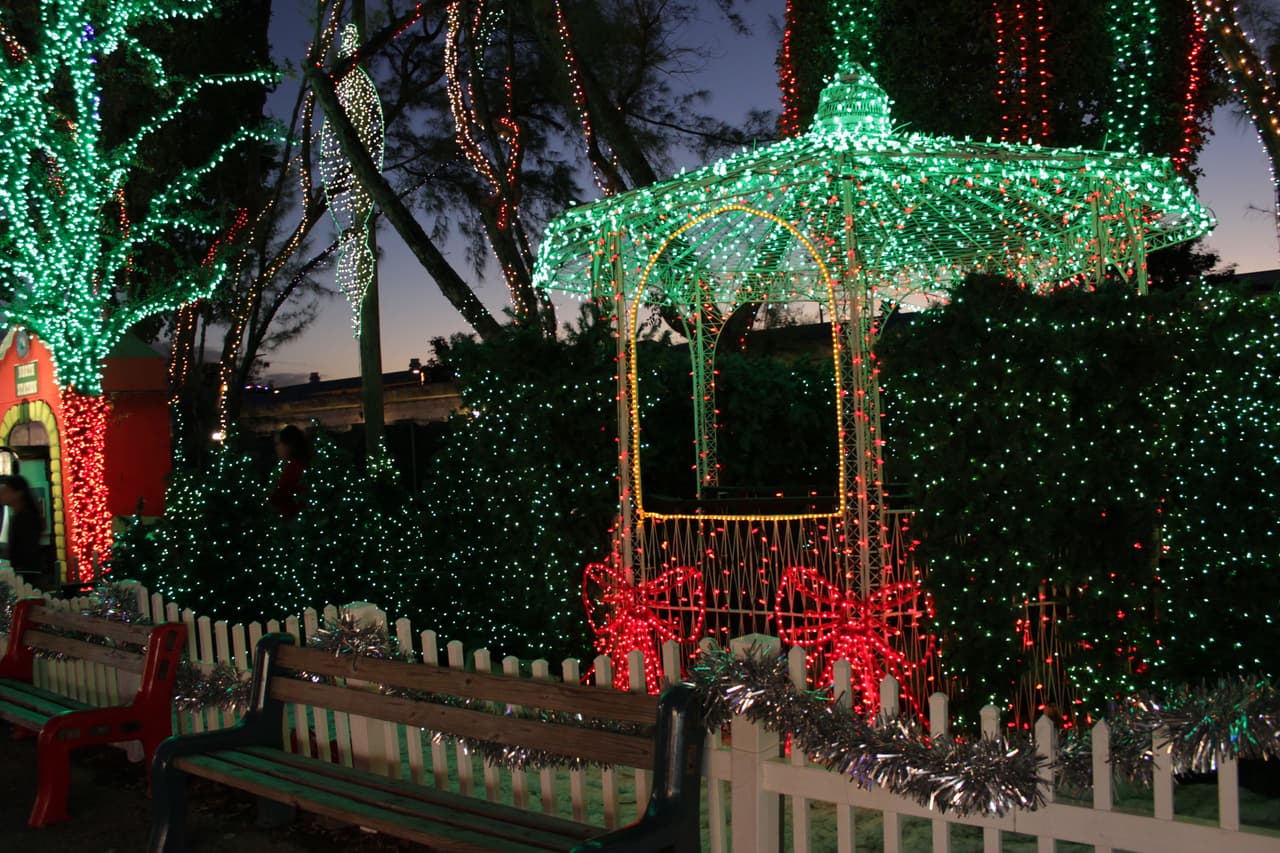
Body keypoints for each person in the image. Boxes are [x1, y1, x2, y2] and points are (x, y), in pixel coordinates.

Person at [0, 475, 46, 584]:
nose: (2, 494)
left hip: (25, 577)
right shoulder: (21, 517)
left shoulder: (25, 519)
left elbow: (25, 552)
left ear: (18, 494)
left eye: (6, 491)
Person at [268, 425, 309, 519]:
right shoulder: (291, 466)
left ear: (289, 445)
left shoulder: (295, 469)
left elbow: (278, 498)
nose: (276, 448)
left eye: (278, 444)